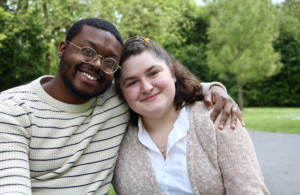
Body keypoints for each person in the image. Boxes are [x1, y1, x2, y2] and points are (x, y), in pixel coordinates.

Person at [0, 18, 242, 194]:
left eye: (108, 62)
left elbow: (160, 88)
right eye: (87, 51)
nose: (96, 64)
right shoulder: (12, 110)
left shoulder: (116, 100)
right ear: (62, 49)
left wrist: (214, 89)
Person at [112, 37, 269, 194]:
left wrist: (215, 87)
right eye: (132, 82)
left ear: (172, 73)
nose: (146, 87)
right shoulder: (115, 139)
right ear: (122, 92)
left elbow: (249, 190)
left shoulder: (217, 117)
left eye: (153, 73)